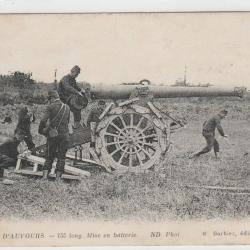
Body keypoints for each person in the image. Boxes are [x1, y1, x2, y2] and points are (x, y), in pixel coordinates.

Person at [38, 90, 70, 180]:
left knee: (49, 155)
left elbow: (43, 120)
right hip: (65, 135)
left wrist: (41, 130)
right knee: (61, 157)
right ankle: (58, 179)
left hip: (53, 135)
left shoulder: (50, 107)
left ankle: (44, 177)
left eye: (50, 99)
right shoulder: (67, 107)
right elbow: (67, 121)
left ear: (52, 98)